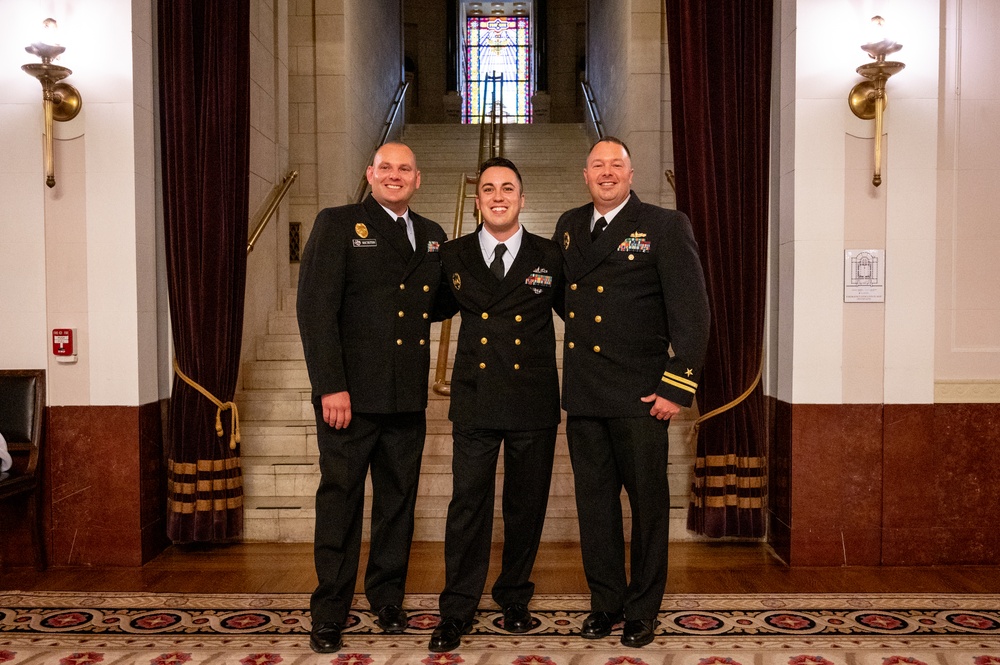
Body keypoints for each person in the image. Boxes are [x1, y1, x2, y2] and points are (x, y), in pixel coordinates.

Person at [553, 137, 710, 648]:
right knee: (594, 506)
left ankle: (642, 608)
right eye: (597, 164)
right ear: (585, 174)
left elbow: (692, 312)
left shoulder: (665, 226)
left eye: (615, 164)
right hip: (585, 394)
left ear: (631, 172)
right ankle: (605, 603)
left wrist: (676, 385)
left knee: (647, 505)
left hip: (642, 396)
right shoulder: (570, 227)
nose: (606, 172)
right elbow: (565, 299)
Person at [296, 142, 448, 653]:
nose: (395, 175)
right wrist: (330, 385)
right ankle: (330, 612)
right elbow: (316, 309)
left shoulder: (431, 236)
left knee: (397, 504)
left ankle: (387, 599)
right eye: (386, 168)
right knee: (340, 502)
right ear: (370, 173)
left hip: (406, 397)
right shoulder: (338, 223)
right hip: (350, 398)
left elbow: (439, 302)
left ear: (418, 178)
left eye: (405, 168)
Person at [428, 157, 564, 653]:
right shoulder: (453, 254)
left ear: (522, 198)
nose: (498, 196)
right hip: (476, 399)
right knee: (468, 506)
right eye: (488, 189)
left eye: (508, 187)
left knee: (526, 507)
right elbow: (426, 308)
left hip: (533, 399)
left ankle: (514, 598)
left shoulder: (551, 254)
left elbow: (586, 315)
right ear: (478, 199)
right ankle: (457, 608)